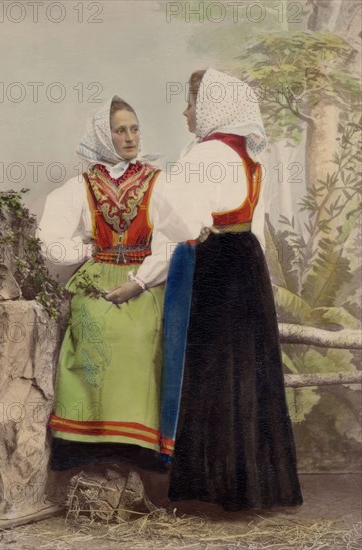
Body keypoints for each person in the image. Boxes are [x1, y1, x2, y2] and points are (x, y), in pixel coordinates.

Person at [107, 69, 303, 511]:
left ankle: (214, 489)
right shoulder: (254, 158)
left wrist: (140, 280)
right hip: (248, 264)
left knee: (211, 369)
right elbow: (256, 226)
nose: (185, 112)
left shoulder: (201, 155)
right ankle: (255, 489)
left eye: (191, 102)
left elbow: (176, 226)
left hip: (216, 266)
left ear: (212, 106)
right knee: (248, 373)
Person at [39, 96, 166, 472]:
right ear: (103, 135)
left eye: (134, 129)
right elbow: (49, 238)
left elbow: (174, 240)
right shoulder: (82, 185)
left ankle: (138, 445)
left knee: (140, 335)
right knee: (92, 336)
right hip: (98, 276)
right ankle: (87, 442)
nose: (129, 138)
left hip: (144, 279)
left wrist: (141, 281)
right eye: (120, 130)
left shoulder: (158, 181)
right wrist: (83, 247)